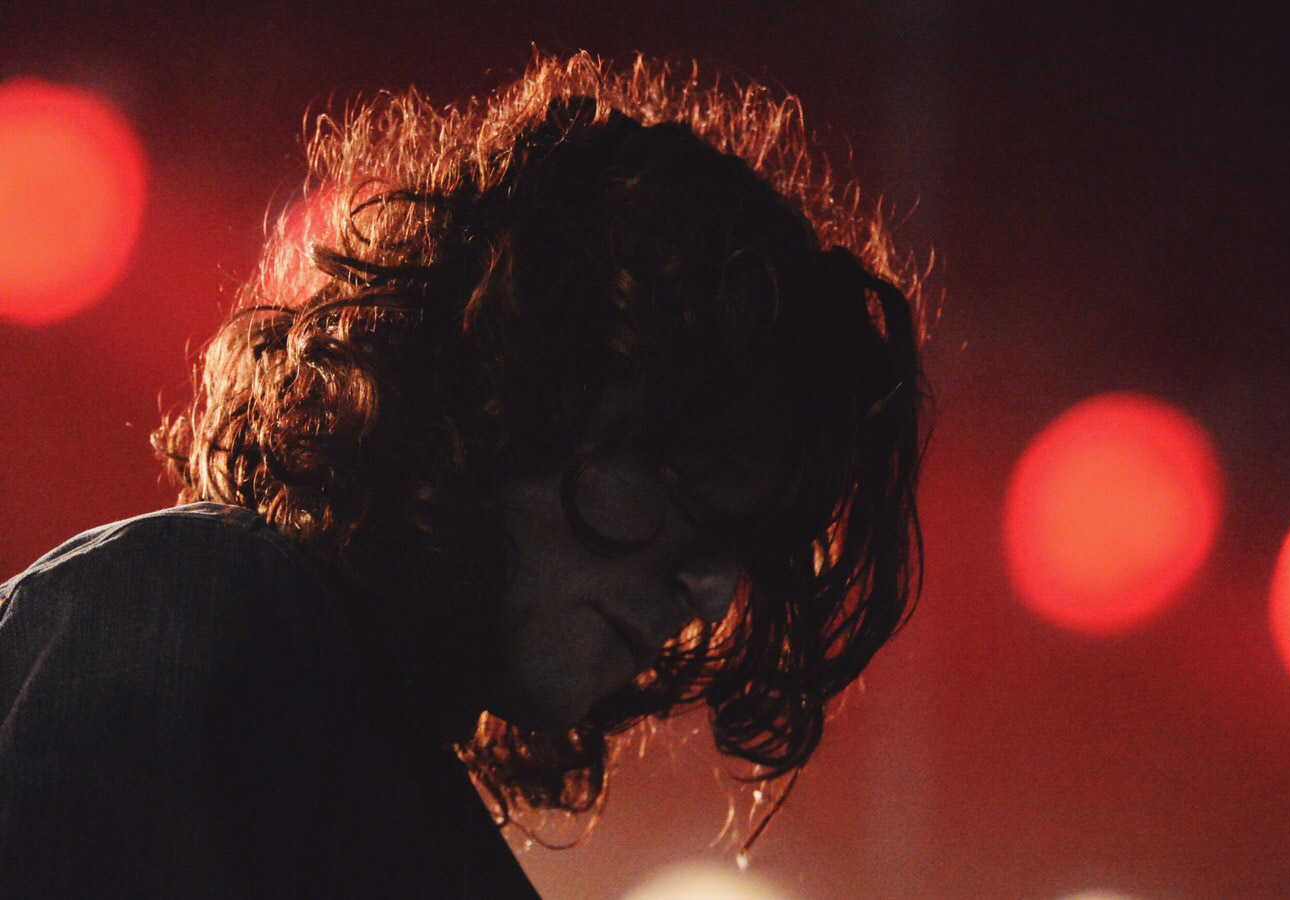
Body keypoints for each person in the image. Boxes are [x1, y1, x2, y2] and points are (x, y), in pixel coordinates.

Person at [0, 50, 928, 897]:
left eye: (745, 539)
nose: (714, 589)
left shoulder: (392, 785)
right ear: (503, 383)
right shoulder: (200, 602)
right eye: (687, 477)